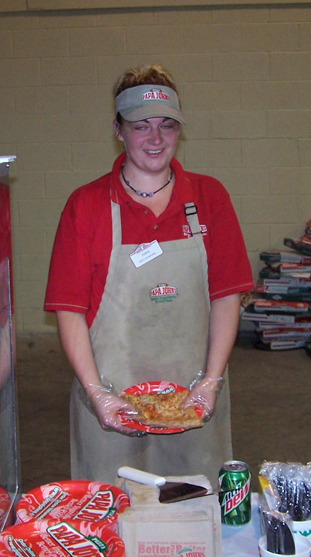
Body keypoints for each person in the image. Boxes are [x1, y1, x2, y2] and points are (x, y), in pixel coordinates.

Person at [44, 64, 254, 486]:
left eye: (167, 125)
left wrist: (211, 381)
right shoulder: (86, 206)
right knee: (115, 509)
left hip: (194, 400)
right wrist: (96, 392)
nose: (155, 139)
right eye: (141, 126)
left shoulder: (210, 198)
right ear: (118, 130)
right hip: (111, 404)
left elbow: (226, 297)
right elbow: (70, 311)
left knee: (194, 507)